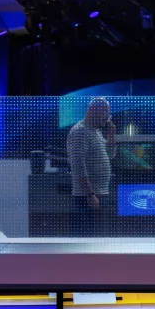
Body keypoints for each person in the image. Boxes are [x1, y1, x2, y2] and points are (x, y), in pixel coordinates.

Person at [66, 98, 117, 235]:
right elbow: (77, 166)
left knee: (97, 237)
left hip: (99, 193)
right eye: (106, 114)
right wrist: (90, 194)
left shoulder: (96, 131)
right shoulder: (80, 131)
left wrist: (111, 134)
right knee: (86, 237)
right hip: (86, 196)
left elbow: (111, 155)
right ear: (94, 111)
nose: (107, 118)